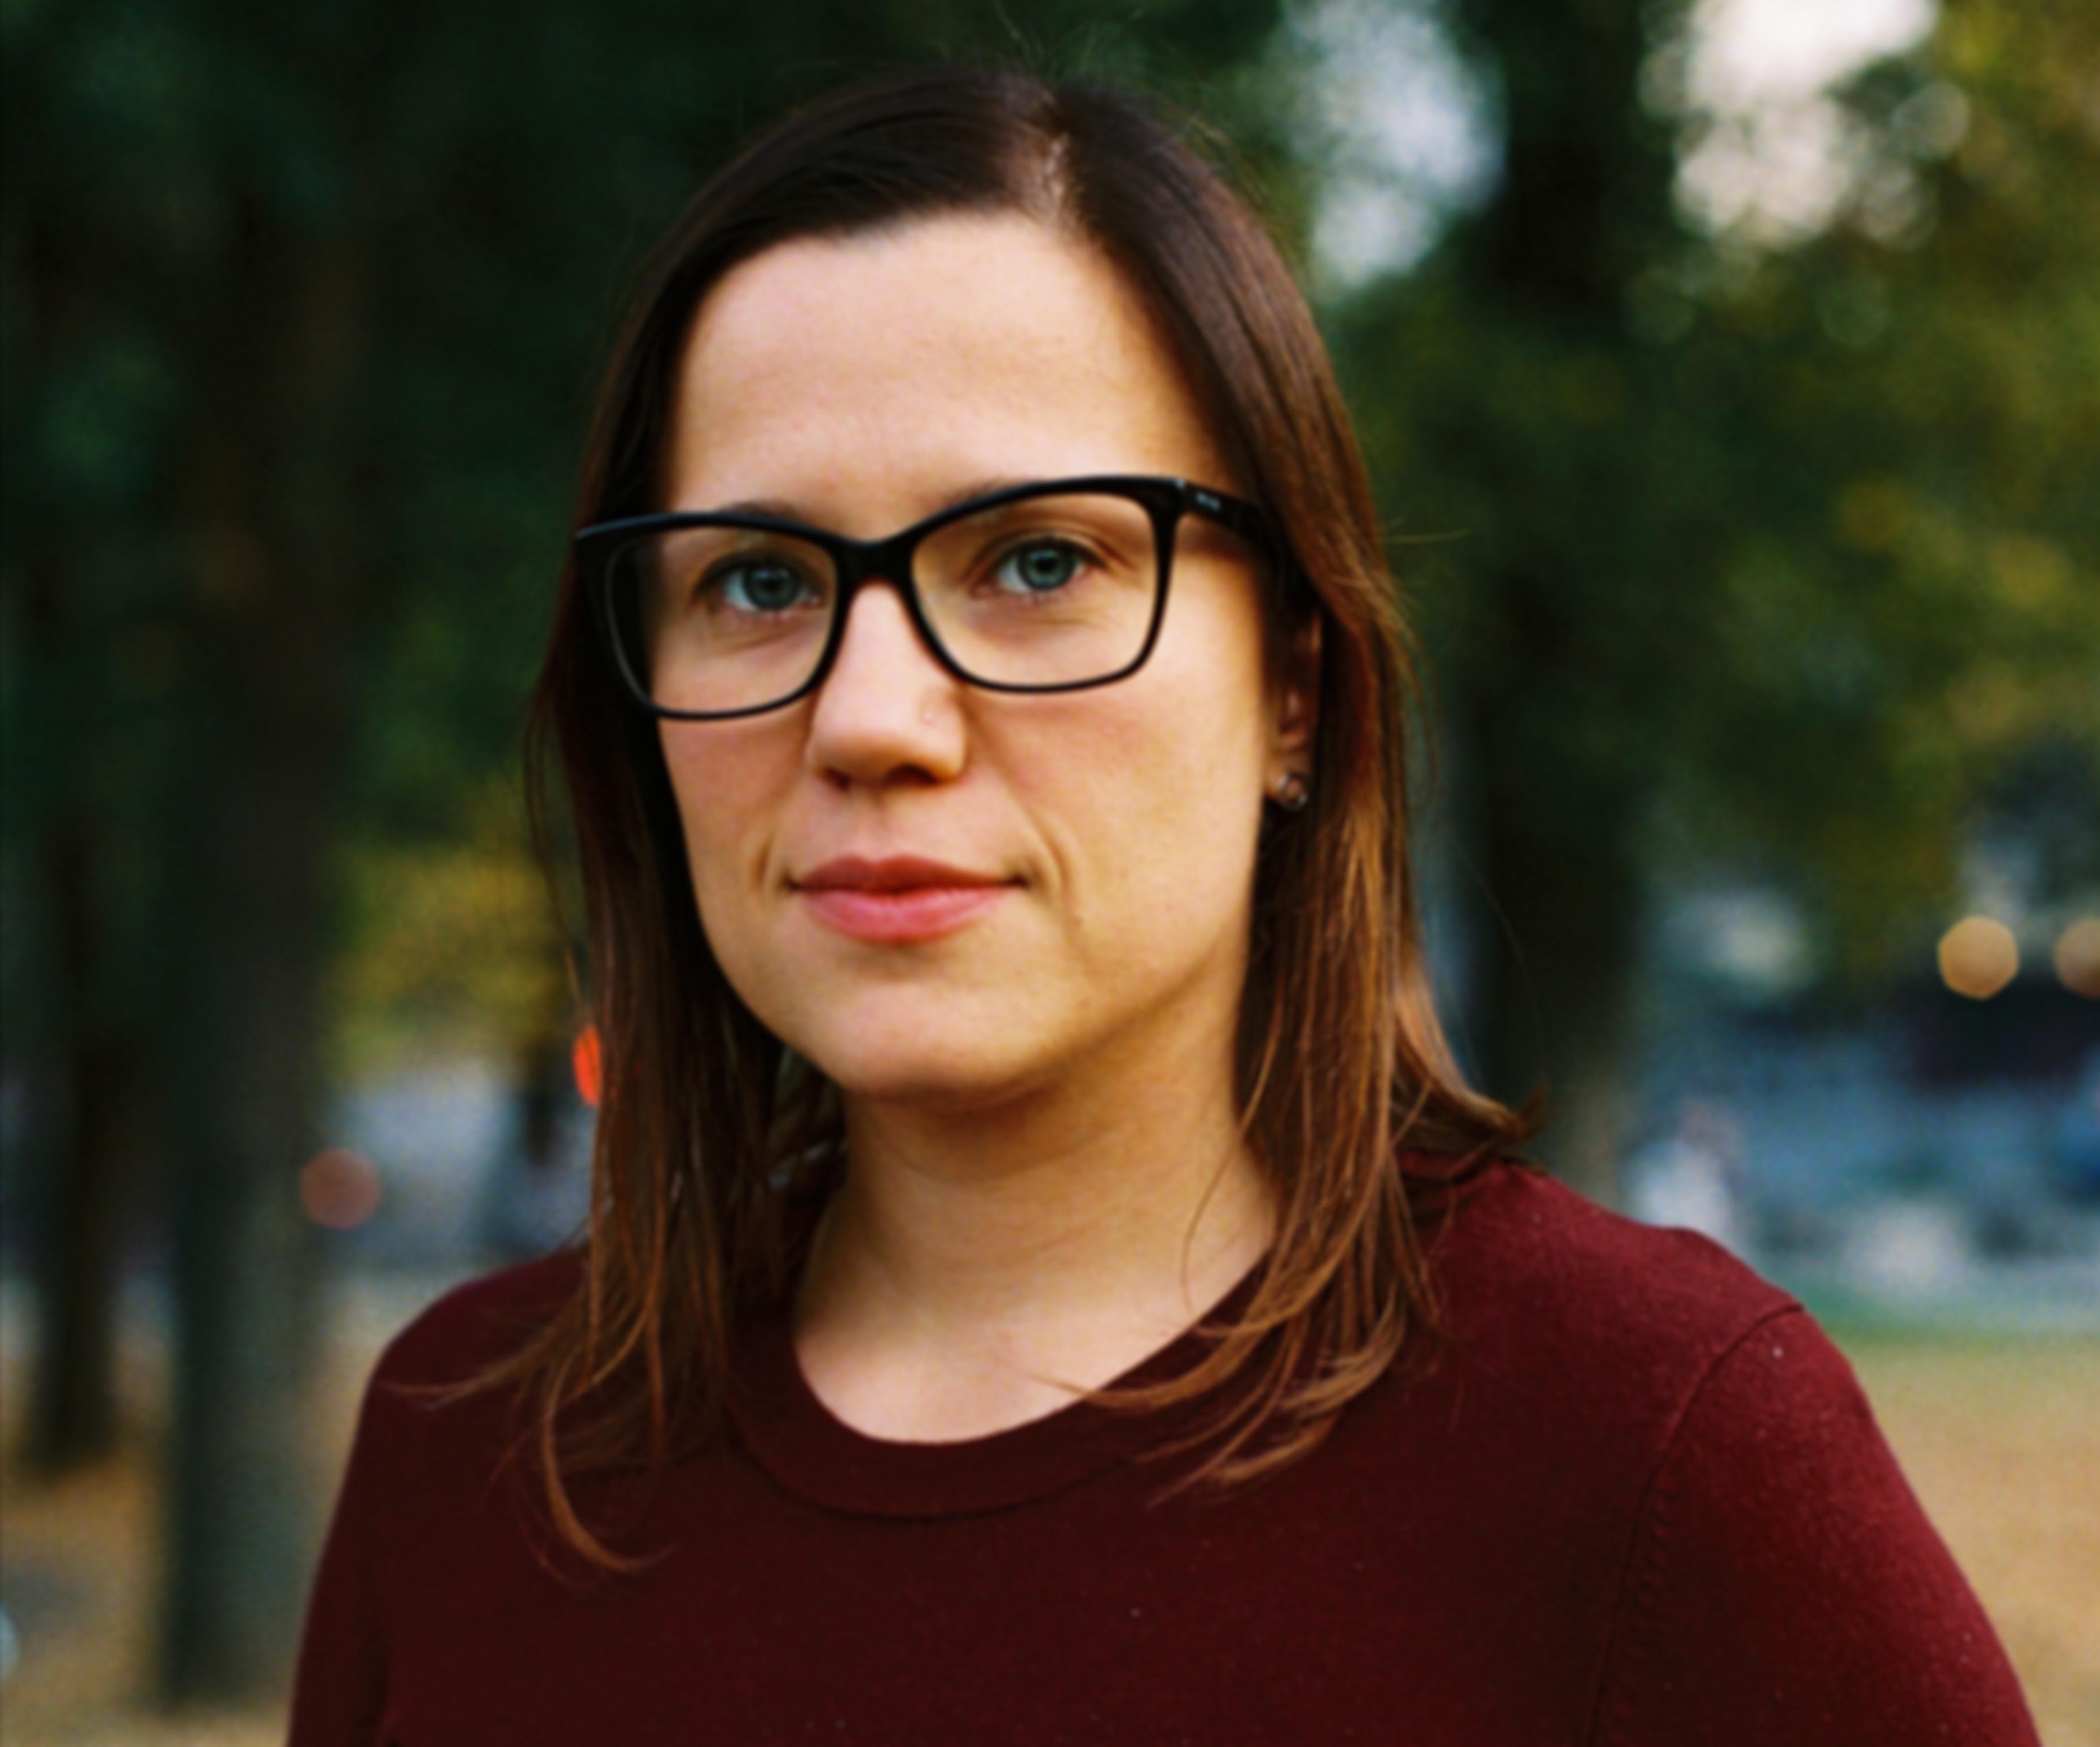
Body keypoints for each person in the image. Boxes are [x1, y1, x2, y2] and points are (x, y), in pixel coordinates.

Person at [289, 65, 2039, 1745]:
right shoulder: (473, 1448)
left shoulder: (1653, 1452)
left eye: (1040, 561)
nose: (872, 717)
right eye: (757, 581)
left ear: (1291, 683)